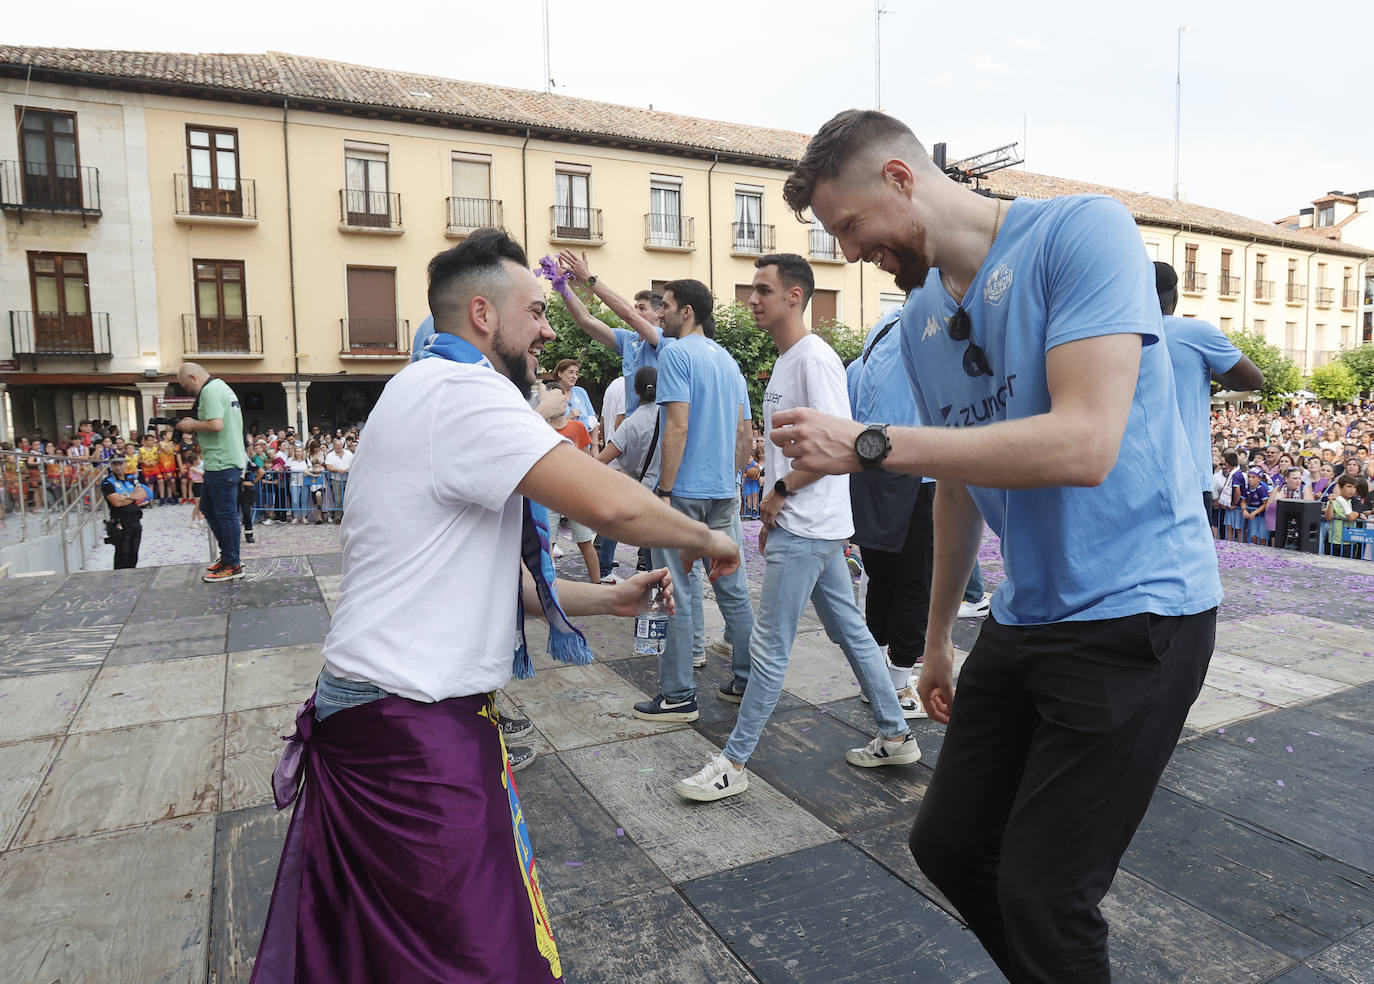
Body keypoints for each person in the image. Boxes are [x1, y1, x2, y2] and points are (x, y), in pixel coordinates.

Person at [773, 109, 1221, 983]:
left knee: (1046, 893)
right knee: (948, 845)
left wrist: (869, 441)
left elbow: (1083, 444)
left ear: (902, 178)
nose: (852, 252)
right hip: (1026, 618)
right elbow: (958, 483)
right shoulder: (920, 321)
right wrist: (938, 638)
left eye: (852, 226)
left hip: (1141, 610)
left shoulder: (1080, 232)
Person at [248, 229, 738, 984]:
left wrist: (608, 598)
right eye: (537, 312)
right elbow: (615, 506)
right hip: (406, 725)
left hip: (383, 711)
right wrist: (708, 535)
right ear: (483, 314)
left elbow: (490, 580)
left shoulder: (418, 388)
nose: (548, 330)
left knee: (394, 951)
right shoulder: (462, 393)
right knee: (474, 951)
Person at [673, 254, 921, 802]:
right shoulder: (789, 361)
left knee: (769, 647)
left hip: (808, 524)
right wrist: (776, 501)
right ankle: (896, 732)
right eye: (751, 290)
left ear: (795, 296)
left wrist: (779, 495)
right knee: (851, 633)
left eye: (763, 289)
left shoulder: (815, 360)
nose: (752, 299)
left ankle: (733, 764)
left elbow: (847, 447)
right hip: (810, 524)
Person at [632, 278, 756, 722]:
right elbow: (745, 433)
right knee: (733, 590)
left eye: (664, 306)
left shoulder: (675, 355)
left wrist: (664, 491)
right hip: (723, 491)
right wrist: (735, 477)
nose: (658, 314)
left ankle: (678, 696)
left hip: (684, 492)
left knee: (674, 593)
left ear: (688, 312)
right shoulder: (728, 361)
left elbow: (678, 427)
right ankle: (746, 679)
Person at [845, 308, 934, 717]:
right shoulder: (936, 321)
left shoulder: (882, 327)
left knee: (881, 578)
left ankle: (877, 677)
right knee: (914, 583)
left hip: (870, 466)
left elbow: (854, 395)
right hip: (918, 471)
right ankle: (896, 687)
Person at [1154, 261, 1262, 517]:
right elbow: (1253, 379)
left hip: (1129, 477)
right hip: (1186, 475)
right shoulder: (1195, 333)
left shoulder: (1117, 335)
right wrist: (1207, 368)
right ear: (1176, 296)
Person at [176, 362, 247, 582]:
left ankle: (232, 563)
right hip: (223, 460)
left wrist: (191, 425)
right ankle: (228, 557)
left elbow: (216, 425)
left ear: (192, 377)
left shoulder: (210, 391)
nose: (187, 391)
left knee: (226, 514)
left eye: (186, 386)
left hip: (222, 461)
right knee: (207, 506)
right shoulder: (222, 387)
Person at [101, 455, 148, 569]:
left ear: (125, 464)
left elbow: (143, 494)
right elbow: (116, 502)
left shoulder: (132, 478)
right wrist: (133, 496)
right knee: (122, 555)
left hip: (135, 521)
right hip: (120, 523)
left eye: (121, 463)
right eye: (115, 464)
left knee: (134, 554)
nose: (118, 467)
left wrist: (125, 496)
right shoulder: (107, 482)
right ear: (111, 465)